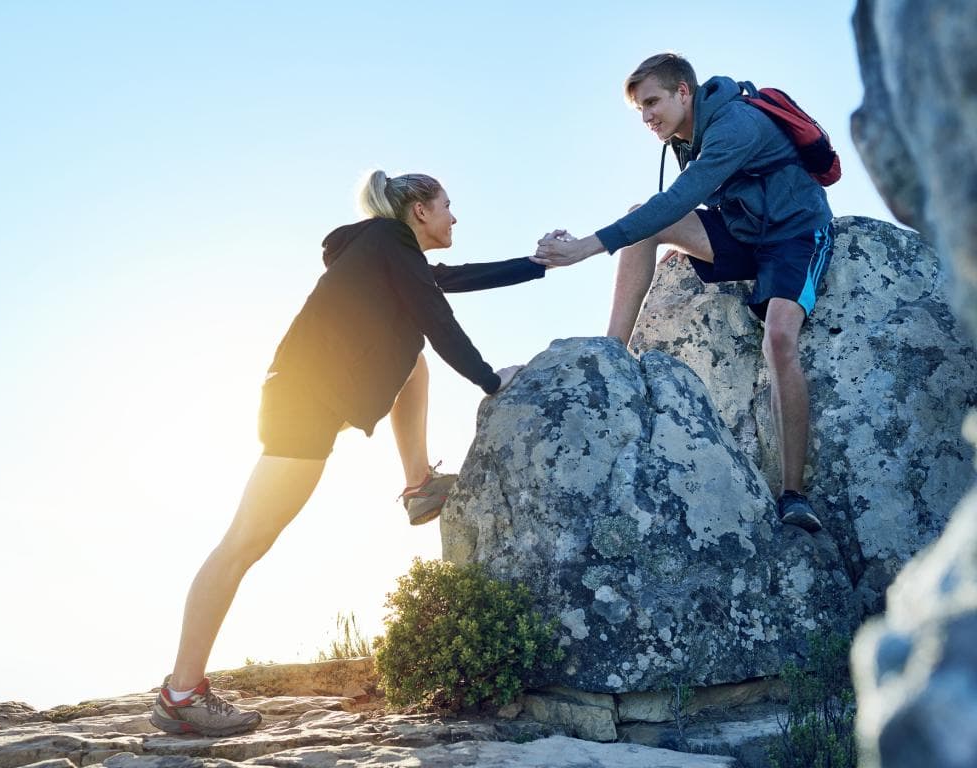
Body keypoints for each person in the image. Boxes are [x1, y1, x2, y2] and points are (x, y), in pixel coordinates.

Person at [150, 169, 545, 737]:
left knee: (412, 362)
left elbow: (447, 281)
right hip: (302, 406)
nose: (454, 217)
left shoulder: (382, 249)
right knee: (242, 545)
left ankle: (418, 483)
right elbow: (436, 316)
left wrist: (538, 264)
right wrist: (490, 380)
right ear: (419, 212)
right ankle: (182, 693)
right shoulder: (387, 240)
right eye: (447, 205)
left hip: (305, 398)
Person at [531, 52, 833, 534]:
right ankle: (612, 354)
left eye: (652, 102)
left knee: (778, 339)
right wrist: (682, 239)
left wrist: (586, 246)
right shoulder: (683, 135)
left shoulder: (735, 125)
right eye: (640, 109)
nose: (647, 117)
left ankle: (794, 494)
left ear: (684, 92)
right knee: (645, 222)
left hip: (795, 233)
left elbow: (678, 198)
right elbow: (672, 209)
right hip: (744, 231)